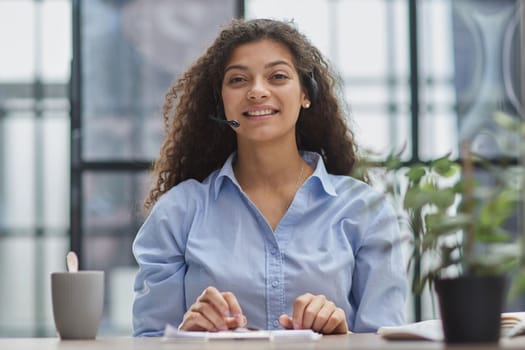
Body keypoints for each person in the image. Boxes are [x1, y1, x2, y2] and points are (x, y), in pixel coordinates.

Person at [132, 18, 407, 337]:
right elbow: (148, 340)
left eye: (277, 76)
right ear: (221, 102)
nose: (257, 91)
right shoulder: (177, 213)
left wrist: (342, 340)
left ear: (306, 93)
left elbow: (389, 341)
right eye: (238, 80)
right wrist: (186, 337)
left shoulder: (365, 211)